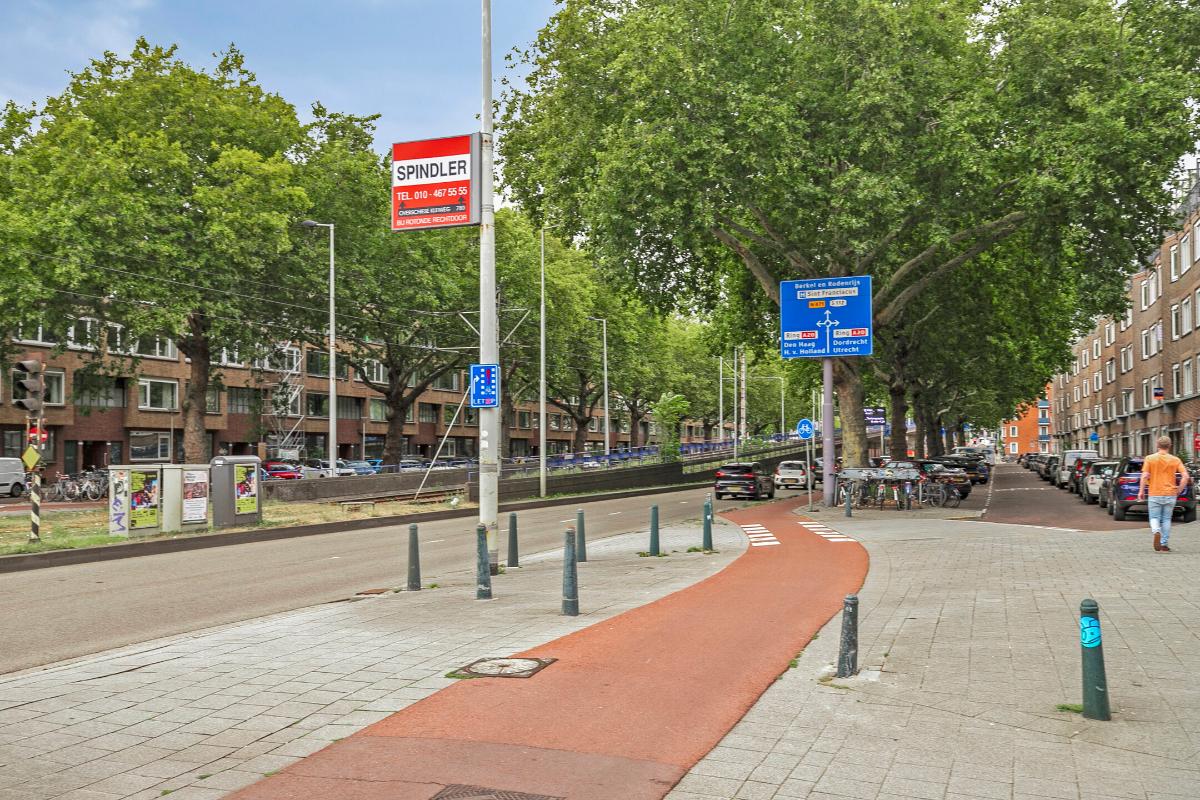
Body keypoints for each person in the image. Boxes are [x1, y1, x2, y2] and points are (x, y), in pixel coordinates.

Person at [1137, 436, 1189, 552]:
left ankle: (1156, 531)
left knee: (1154, 517)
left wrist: (1141, 491)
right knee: (1166, 519)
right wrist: (1179, 489)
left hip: (1154, 492)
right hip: (1170, 493)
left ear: (1157, 445)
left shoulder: (1150, 458)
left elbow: (1145, 476)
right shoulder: (1175, 460)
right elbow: (1185, 476)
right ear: (1170, 446)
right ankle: (1164, 544)